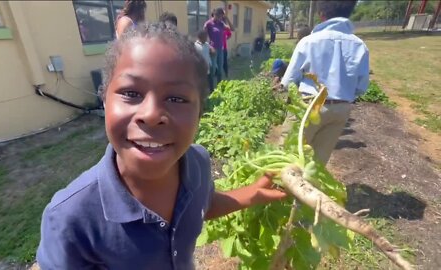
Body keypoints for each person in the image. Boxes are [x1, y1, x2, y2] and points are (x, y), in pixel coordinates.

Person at [36, 23, 286, 269]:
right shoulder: (70, 218)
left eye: (176, 98)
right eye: (131, 93)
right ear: (104, 101)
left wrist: (250, 194)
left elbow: (200, 205)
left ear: (200, 112)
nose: (152, 114)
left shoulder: (197, 162)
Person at [279, 0, 369, 165]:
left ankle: (283, 190)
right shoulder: (359, 45)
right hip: (341, 108)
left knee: (286, 159)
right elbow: (361, 87)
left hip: (308, 106)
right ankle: (308, 189)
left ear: (321, 14)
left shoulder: (309, 41)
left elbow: (289, 80)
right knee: (317, 164)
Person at [204, 8, 230, 87]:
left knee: (220, 71)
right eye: (218, 16)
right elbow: (203, 36)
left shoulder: (221, 23)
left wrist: (227, 19)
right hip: (213, 50)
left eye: (221, 16)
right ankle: (211, 89)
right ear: (214, 14)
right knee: (212, 70)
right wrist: (209, 47)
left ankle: (219, 88)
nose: (220, 18)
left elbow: (231, 29)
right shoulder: (208, 23)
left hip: (220, 50)